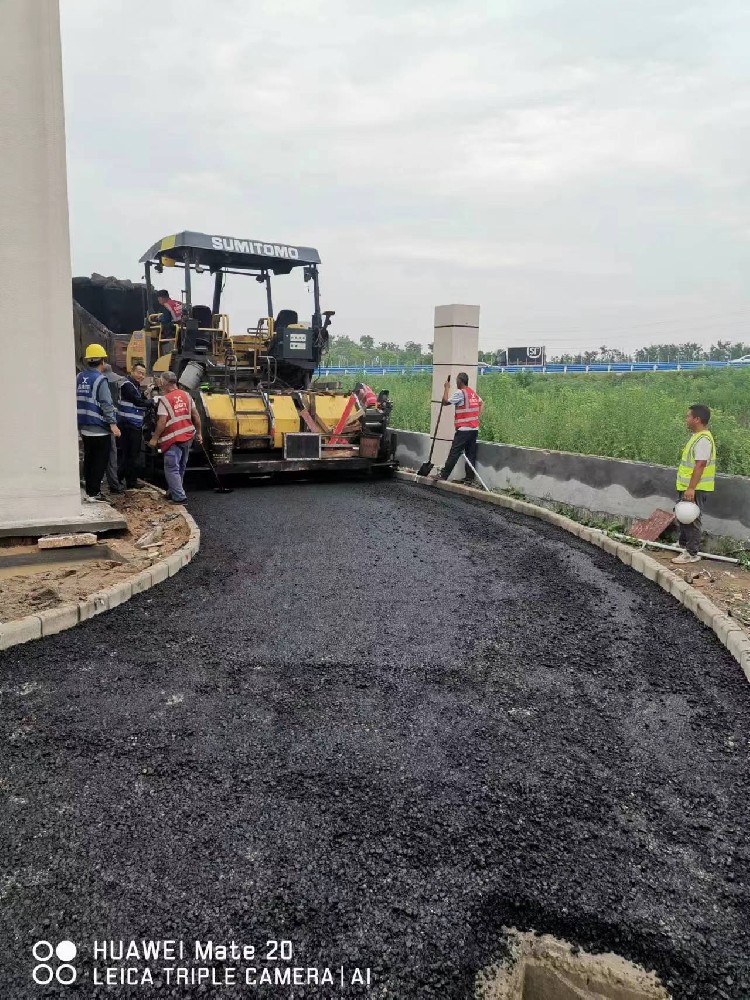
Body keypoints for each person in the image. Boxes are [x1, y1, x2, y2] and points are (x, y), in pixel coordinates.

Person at [147, 371, 202, 504]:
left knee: (171, 468)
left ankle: (179, 496)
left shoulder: (165, 400)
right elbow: (196, 416)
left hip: (173, 439)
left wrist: (154, 438)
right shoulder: (187, 395)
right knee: (181, 466)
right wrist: (199, 433)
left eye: (161, 381)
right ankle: (173, 491)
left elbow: (161, 422)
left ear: (165, 382)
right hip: (188, 436)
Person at [76, 345, 121, 502]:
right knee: (99, 462)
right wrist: (113, 424)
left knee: (89, 459)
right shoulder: (100, 380)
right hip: (99, 428)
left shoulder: (79, 377)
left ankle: (89, 490)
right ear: (103, 361)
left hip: (84, 426)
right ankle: (94, 493)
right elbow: (106, 404)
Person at [672, 404, 716, 564]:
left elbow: (700, 465)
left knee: (691, 518)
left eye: (688, 416)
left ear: (697, 419)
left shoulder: (703, 439)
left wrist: (691, 488)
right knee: (683, 515)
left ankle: (691, 553)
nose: (686, 419)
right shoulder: (696, 436)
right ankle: (683, 544)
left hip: (696, 487)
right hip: (688, 486)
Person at [437, 372, 484, 485]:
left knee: (454, 452)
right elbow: (482, 403)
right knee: (470, 453)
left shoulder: (460, 393)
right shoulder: (471, 393)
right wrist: (476, 417)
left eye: (457, 381)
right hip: (474, 429)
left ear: (460, 381)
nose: (456, 383)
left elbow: (445, 402)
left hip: (464, 430)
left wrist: (446, 388)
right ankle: (469, 478)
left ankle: (443, 475)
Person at [117, 362, 148, 489]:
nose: (141, 375)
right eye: (139, 372)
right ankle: (128, 482)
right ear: (132, 371)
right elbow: (138, 402)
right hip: (128, 424)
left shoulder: (134, 385)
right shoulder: (128, 385)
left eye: (143, 374)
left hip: (131, 424)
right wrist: (153, 402)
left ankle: (123, 480)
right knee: (131, 454)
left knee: (130, 454)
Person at [102, 363, 126, 494]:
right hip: (107, 425)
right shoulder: (108, 391)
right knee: (111, 455)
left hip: (94, 426)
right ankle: (114, 485)